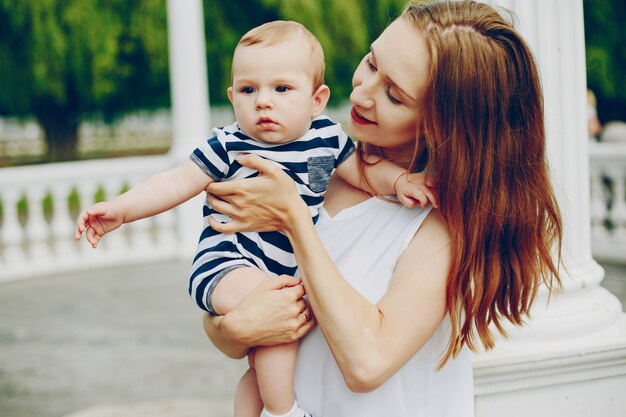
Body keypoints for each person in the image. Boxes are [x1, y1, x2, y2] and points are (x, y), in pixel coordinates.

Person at [202, 1, 563, 416]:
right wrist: (232, 330)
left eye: (393, 94)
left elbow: (367, 361)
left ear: (441, 124)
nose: (360, 92)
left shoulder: (443, 225)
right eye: (372, 63)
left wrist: (297, 223)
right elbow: (227, 284)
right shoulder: (320, 169)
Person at [74, 20, 436, 417]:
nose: (263, 101)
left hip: (277, 268)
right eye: (249, 90)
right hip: (231, 261)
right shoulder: (229, 144)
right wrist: (123, 210)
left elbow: (364, 172)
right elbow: (176, 182)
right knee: (279, 326)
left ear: (316, 100)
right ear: (232, 97)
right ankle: (285, 413)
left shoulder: (326, 139)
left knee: (267, 354)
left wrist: (399, 180)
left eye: (281, 89)